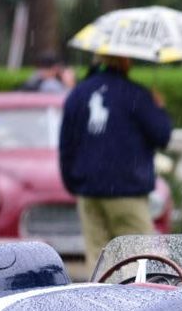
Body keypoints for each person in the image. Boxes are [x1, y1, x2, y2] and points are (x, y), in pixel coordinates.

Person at [59, 54, 173, 267]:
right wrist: (159, 108)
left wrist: (73, 183)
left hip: (89, 190)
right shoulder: (136, 94)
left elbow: (66, 145)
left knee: (99, 260)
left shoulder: (79, 93)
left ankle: (100, 299)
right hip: (127, 189)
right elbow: (162, 135)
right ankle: (132, 301)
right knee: (135, 259)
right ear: (126, 61)